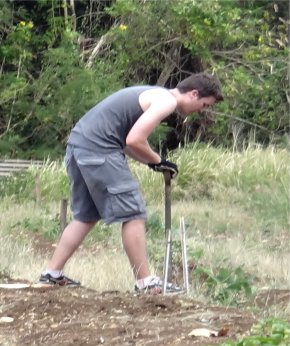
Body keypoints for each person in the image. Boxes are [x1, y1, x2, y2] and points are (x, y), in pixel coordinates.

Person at [39, 73, 223, 294]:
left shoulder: (153, 93)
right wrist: (159, 160)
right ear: (194, 94)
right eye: (204, 104)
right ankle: (146, 283)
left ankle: (52, 274)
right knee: (133, 213)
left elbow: (126, 141)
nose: (201, 110)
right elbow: (135, 140)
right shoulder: (167, 101)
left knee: (86, 216)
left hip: (78, 146)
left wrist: (153, 163)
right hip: (99, 149)